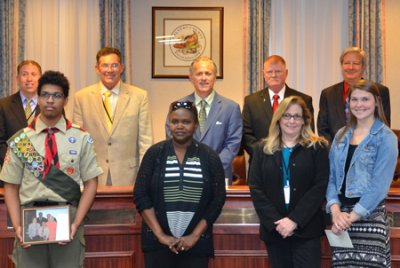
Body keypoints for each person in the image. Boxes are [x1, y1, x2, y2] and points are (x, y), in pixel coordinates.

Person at [0, 70, 102, 268]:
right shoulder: (22, 139)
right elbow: (10, 187)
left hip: (68, 221)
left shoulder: (80, 137)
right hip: (30, 221)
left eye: (56, 95)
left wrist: (76, 222)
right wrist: (18, 226)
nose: (50, 100)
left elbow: (91, 183)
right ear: (38, 98)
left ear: (65, 100)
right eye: (45, 94)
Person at [134, 101, 225, 268]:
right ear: (169, 124)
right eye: (175, 121)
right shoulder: (154, 153)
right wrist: (161, 235)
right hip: (157, 243)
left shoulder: (209, 156)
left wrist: (195, 235)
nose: (180, 126)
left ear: (196, 125)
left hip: (196, 244)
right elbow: (140, 194)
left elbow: (218, 199)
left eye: (186, 122)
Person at [248, 96, 329, 268]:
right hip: (275, 230)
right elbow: (255, 188)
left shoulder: (317, 148)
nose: (291, 120)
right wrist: (277, 222)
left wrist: (294, 220)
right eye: (286, 115)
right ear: (278, 119)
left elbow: (320, 186)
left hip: (306, 230)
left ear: (304, 121)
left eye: (297, 116)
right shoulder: (262, 149)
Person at [326, 80, 398, 267]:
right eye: (354, 99)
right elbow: (332, 178)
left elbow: (379, 186)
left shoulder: (386, 137)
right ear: (348, 103)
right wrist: (335, 212)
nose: (359, 104)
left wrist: (350, 218)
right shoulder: (341, 135)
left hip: (369, 218)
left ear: (376, 102)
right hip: (341, 220)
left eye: (365, 99)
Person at [73, 47, 153, 186]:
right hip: (92, 175)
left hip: (129, 176)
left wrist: (144, 176)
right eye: (105, 65)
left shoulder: (139, 96)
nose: (109, 70)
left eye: (114, 65)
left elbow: (145, 140)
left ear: (121, 68)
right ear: (97, 69)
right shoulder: (81, 97)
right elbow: (78, 141)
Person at [165, 56, 242, 183]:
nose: (204, 78)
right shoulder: (177, 106)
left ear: (215, 77)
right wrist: (191, 166)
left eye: (208, 73)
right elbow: (172, 138)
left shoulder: (231, 108)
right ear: (191, 77)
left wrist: (211, 166)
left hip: (218, 174)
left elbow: (232, 144)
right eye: (199, 73)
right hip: (186, 174)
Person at [242, 55, 314, 158]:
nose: (274, 75)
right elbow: (246, 135)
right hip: (261, 163)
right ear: (263, 74)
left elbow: (307, 133)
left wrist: (290, 155)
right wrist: (263, 155)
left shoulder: (303, 100)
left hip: (295, 162)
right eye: (269, 72)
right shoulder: (251, 101)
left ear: (286, 73)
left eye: (278, 71)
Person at [318, 47, 391, 143]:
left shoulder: (380, 91)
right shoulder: (327, 94)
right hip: (335, 153)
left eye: (356, 63)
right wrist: (334, 153)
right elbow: (323, 129)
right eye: (347, 63)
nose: (351, 67)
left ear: (364, 67)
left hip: (369, 153)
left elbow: (383, 125)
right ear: (341, 66)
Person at [0, 60, 42, 167]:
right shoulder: (3, 105)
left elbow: (58, 139)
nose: (29, 79)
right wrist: (15, 162)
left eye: (33, 74)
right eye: (24, 74)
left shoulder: (50, 105)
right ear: (17, 79)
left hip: (44, 173)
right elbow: (1, 142)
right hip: (12, 171)